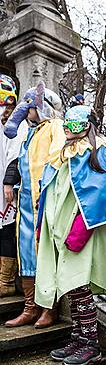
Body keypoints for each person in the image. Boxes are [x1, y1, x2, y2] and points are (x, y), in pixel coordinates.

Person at [35, 105, 106, 365]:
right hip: (59, 230)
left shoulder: (96, 151)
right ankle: (77, 337)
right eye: (66, 125)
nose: (68, 130)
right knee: (70, 286)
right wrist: (43, 225)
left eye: (73, 125)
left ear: (86, 126)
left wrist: (80, 231)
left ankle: (91, 343)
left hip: (79, 231)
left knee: (79, 286)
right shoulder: (65, 153)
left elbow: (100, 194)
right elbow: (52, 189)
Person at [4, 81, 65, 328]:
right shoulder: (31, 133)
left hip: (44, 204)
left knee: (45, 255)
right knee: (27, 255)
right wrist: (10, 182)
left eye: (30, 107)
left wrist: (48, 190)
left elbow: (59, 157)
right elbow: (17, 162)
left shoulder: (54, 127)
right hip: (27, 206)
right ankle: (30, 307)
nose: (26, 111)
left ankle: (49, 309)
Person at [0, 75, 27, 297]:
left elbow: (16, 156)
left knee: (7, 231)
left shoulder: (16, 124)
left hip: (6, 187)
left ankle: (7, 281)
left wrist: (9, 182)